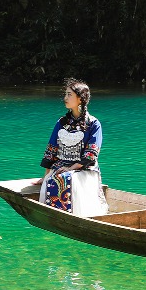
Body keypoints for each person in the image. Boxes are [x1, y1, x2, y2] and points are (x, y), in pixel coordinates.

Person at [34, 78, 109, 217]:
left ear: (80, 99)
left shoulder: (94, 124)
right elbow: (51, 150)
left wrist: (71, 168)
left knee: (66, 179)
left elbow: (91, 155)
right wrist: (45, 176)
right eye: (65, 94)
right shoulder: (61, 123)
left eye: (69, 95)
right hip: (61, 167)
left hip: (84, 170)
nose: (65, 98)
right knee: (54, 179)